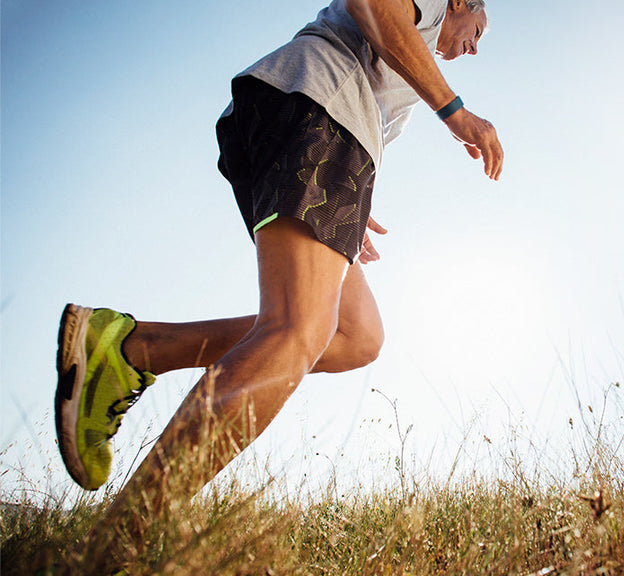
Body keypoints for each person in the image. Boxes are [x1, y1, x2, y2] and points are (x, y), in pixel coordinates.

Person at [53, 0, 502, 557]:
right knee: (296, 332)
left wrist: (352, 210)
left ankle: (134, 347)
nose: (475, 47)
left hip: (313, 125)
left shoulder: (410, 72)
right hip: (315, 105)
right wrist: (457, 112)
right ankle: (122, 541)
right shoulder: (428, 12)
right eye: (477, 29)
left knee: (353, 336)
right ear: (459, 4)